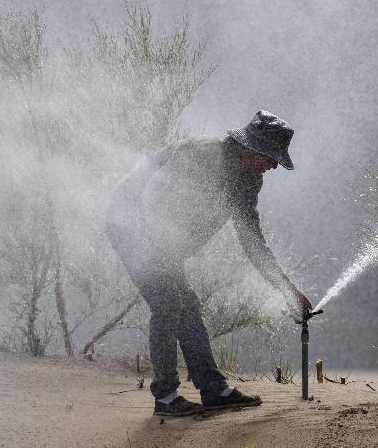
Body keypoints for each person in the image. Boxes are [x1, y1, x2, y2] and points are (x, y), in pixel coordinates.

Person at [106, 110, 313, 417]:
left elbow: (253, 242)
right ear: (250, 147)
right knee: (168, 303)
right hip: (131, 225)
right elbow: (153, 195)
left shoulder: (248, 181)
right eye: (270, 156)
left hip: (165, 242)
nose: (273, 165)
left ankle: (213, 390)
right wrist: (159, 244)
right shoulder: (200, 153)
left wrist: (286, 288)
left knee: (187, 304)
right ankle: (165, 397)